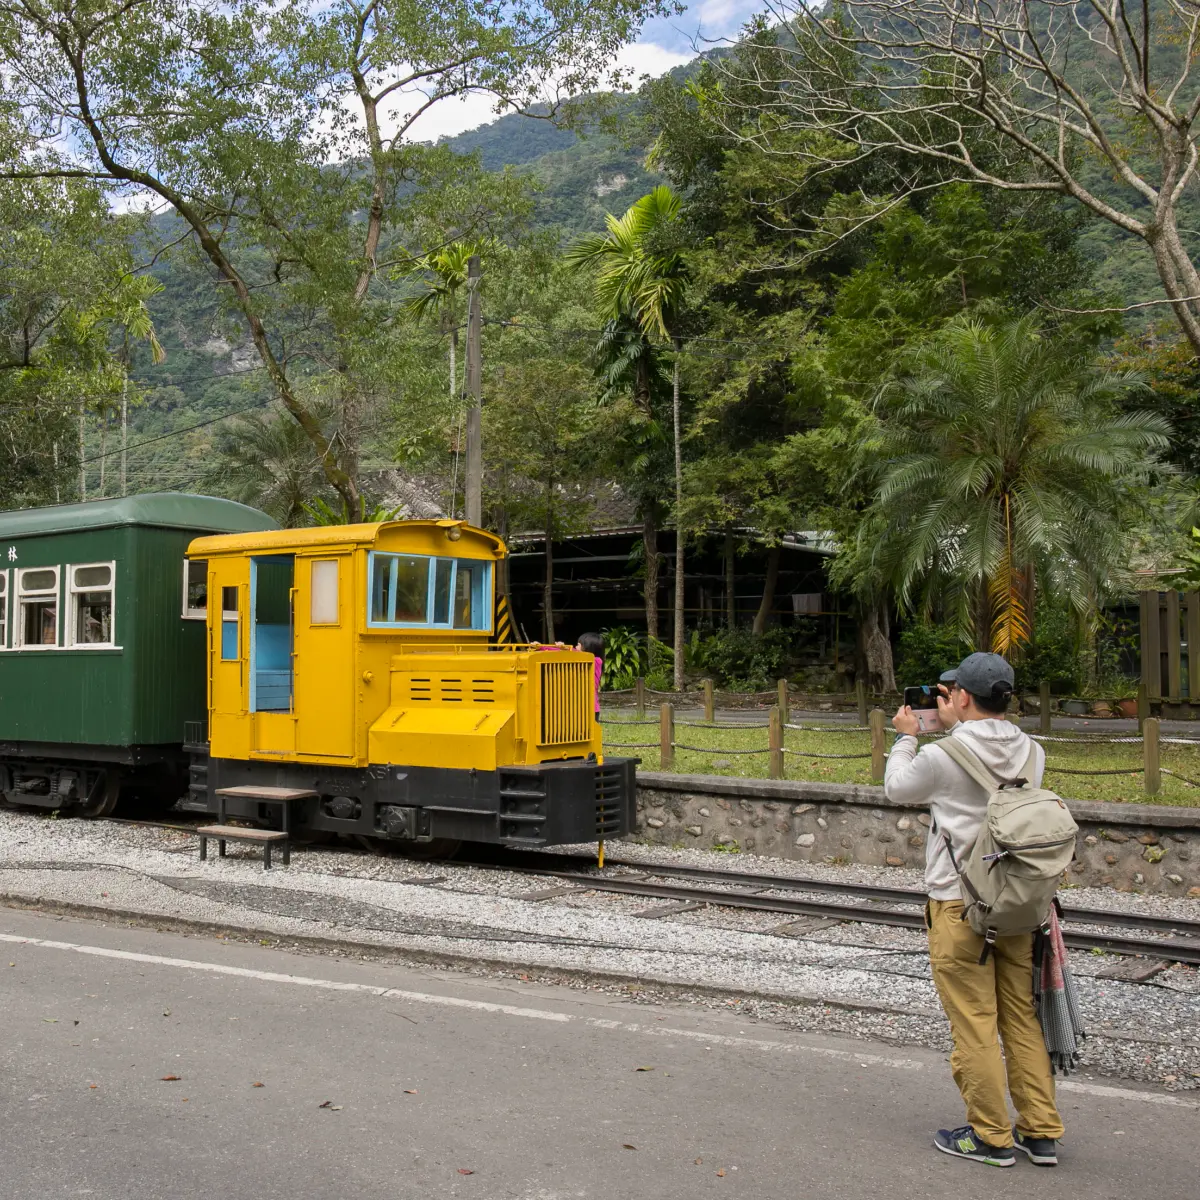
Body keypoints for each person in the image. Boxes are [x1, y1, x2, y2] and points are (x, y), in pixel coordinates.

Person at [886, 651, 1065, 1169]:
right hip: (1016, 905)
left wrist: (907, 735)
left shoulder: (944, 755)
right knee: (1020, 1018)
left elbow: (898, 788)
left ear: (961, 696)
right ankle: (1041, 1131)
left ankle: (989, 1137)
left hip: (959, 905)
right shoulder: (1033, 751)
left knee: (974, 1024)